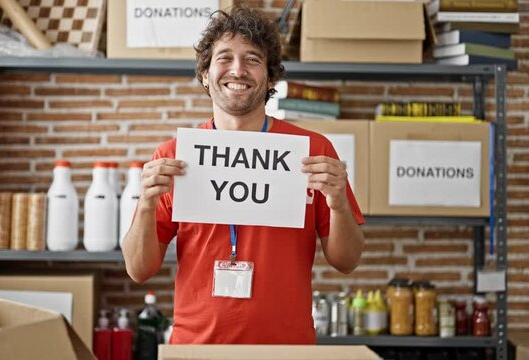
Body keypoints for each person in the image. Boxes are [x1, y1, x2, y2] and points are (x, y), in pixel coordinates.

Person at [122, 6, 365, 344]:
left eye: (253, 59)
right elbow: (138, 269)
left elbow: (347, 261)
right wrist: (146, 204)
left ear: (270, 77)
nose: (238, 69)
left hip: (286, 348)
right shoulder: (173, 157)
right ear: (206, 74)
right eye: (225, 57)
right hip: (196, 348)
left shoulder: (312, 150)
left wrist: (338, 204)